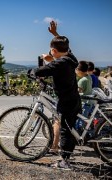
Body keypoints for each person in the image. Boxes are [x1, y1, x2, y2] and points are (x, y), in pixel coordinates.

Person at [30, 28, 81, 169]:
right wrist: (55, 34)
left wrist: (31, 72)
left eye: (51, 49)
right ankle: (67, 155)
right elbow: (66, 48)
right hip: (74, 99)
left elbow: (42, 71)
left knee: (66, 130)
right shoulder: (70, 59)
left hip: (67, 101)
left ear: (53, 50)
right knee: (68, 127)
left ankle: (65, 161)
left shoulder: (60, 63)